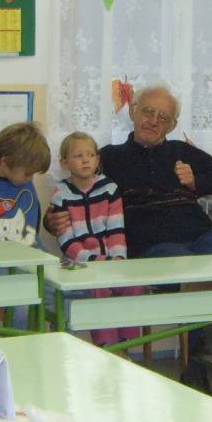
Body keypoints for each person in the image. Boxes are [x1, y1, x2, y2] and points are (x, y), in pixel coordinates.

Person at [47, 85, 212, 391]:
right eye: (148, 111)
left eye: (163, 116)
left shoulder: (182, 152)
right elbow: (73, 193)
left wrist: (197, 180)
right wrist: (51, 221)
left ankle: (201, 357)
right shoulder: (109, 157)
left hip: (199, 235)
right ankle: (203, 359)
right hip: (153, 246)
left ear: (173, 125)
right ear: (132, 112)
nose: (153, 120)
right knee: (193, 264)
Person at [48, 130, 143, 348]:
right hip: (79, 266)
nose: (85, 160)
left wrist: (117, 260)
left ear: (98, 159)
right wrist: (94, 262)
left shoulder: (109, 188)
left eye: (90, 155)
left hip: (111, 261)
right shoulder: (60, 194)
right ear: (64, 162)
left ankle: (127, 344)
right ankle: (107, 346)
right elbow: (67, 241)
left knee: (134, 286)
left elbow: (117, 230)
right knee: (99, 288)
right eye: (78, 156)